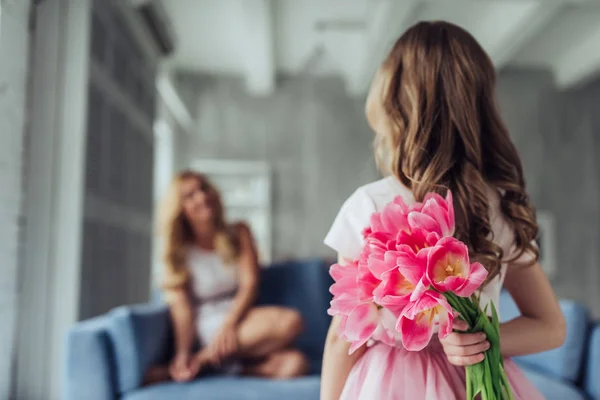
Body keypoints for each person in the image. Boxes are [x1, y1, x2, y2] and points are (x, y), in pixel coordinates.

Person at [320, 21, 566, 400]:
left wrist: (470, 337)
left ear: (391, 104)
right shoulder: (495, 206)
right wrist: (484, 336)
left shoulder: (369, 206)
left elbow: (343, 336)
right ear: (481, 105)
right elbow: (550, 326)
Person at [148, 170, 308, 384]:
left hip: (238, 316)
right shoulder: (178, 251)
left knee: (296, 365)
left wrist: (229, 326)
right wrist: (182, 352)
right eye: (190, 195)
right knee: (290, 321)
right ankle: (195, 361)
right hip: (204, 323)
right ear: (180, 209)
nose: (202, 197)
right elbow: (182, 309)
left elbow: (249, 284)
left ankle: (205, 365)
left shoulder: (239, 232)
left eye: (203, 188)